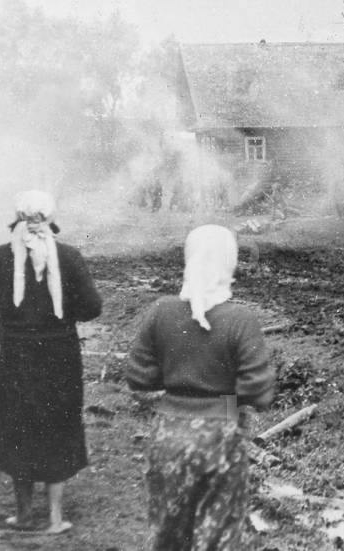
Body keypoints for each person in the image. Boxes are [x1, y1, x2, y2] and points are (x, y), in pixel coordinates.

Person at [126, 224, 274, 550]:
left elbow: (138, 375)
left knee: (166, 532)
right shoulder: (240, 319)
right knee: (216, 534)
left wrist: (176, 387)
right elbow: (259, 389)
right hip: (221, 437)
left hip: (167, 433)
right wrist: (226, 403)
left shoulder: (161, 311)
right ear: (229, 261)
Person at [0, 190, 102, 534]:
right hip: (60, 356)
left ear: (17, 220)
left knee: (18, 427)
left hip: (17, 355)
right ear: (50, 220)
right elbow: (92, 308)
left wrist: (12, 318)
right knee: (59, 425)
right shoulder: (70, 257)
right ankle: (56, 518)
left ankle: (24, 514)